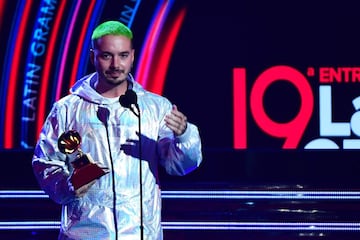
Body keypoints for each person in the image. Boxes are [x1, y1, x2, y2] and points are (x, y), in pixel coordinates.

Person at [32, 20, 202, 240]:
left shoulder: (155, 108)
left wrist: (184, 135)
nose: (115, 64)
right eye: (106, 56)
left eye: (122, 55)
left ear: (132, 56)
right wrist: (69, 185)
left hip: (141, 234)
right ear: (93, 57)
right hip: (85, 233)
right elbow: (45, 163)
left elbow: (181, 166)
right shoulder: (67, 109)